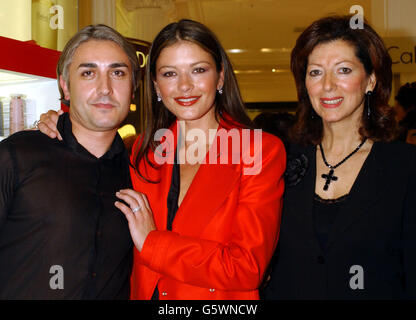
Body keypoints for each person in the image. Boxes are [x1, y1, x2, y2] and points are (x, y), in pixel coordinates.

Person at [38, 19, 286, 300]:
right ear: (155, 85)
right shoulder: (143, 150)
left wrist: (153, 243)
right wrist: (57, 124)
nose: (184, 86)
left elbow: (246, 267)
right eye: (169, 74)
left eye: (199, 70)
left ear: (220, 77)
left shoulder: (257, 150)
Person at [263, 15, 416, 299]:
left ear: (371, 80)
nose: (328, 85)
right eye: (316, 72)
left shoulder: (405, 167)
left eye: (343, 70)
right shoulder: (281, 161)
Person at [0, 24, 140, 299]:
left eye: (118, 73)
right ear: (65, 86)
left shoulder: (141, 172)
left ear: (133, 89)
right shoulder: (16, 156)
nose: (105, 88)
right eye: (88, 73)